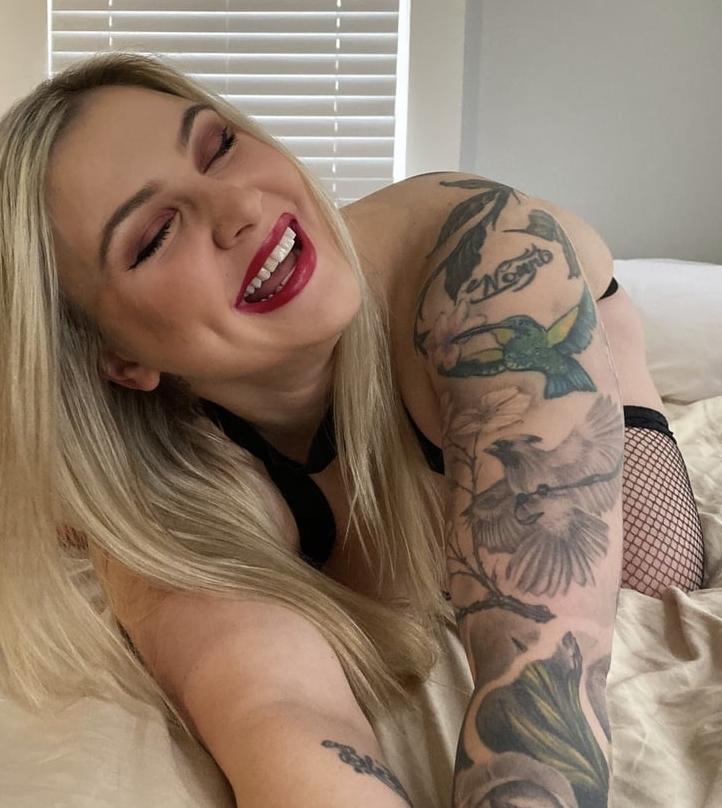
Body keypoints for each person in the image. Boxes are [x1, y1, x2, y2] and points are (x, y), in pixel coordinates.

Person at [0, 53, 703, 807]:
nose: (241, 206)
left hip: (555, 319)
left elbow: (543, 684)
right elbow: (280, 716)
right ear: (117, 360)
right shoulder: (152, 487)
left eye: (220, 146)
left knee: (652, 580)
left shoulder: (487, 261)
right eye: (154, 236)